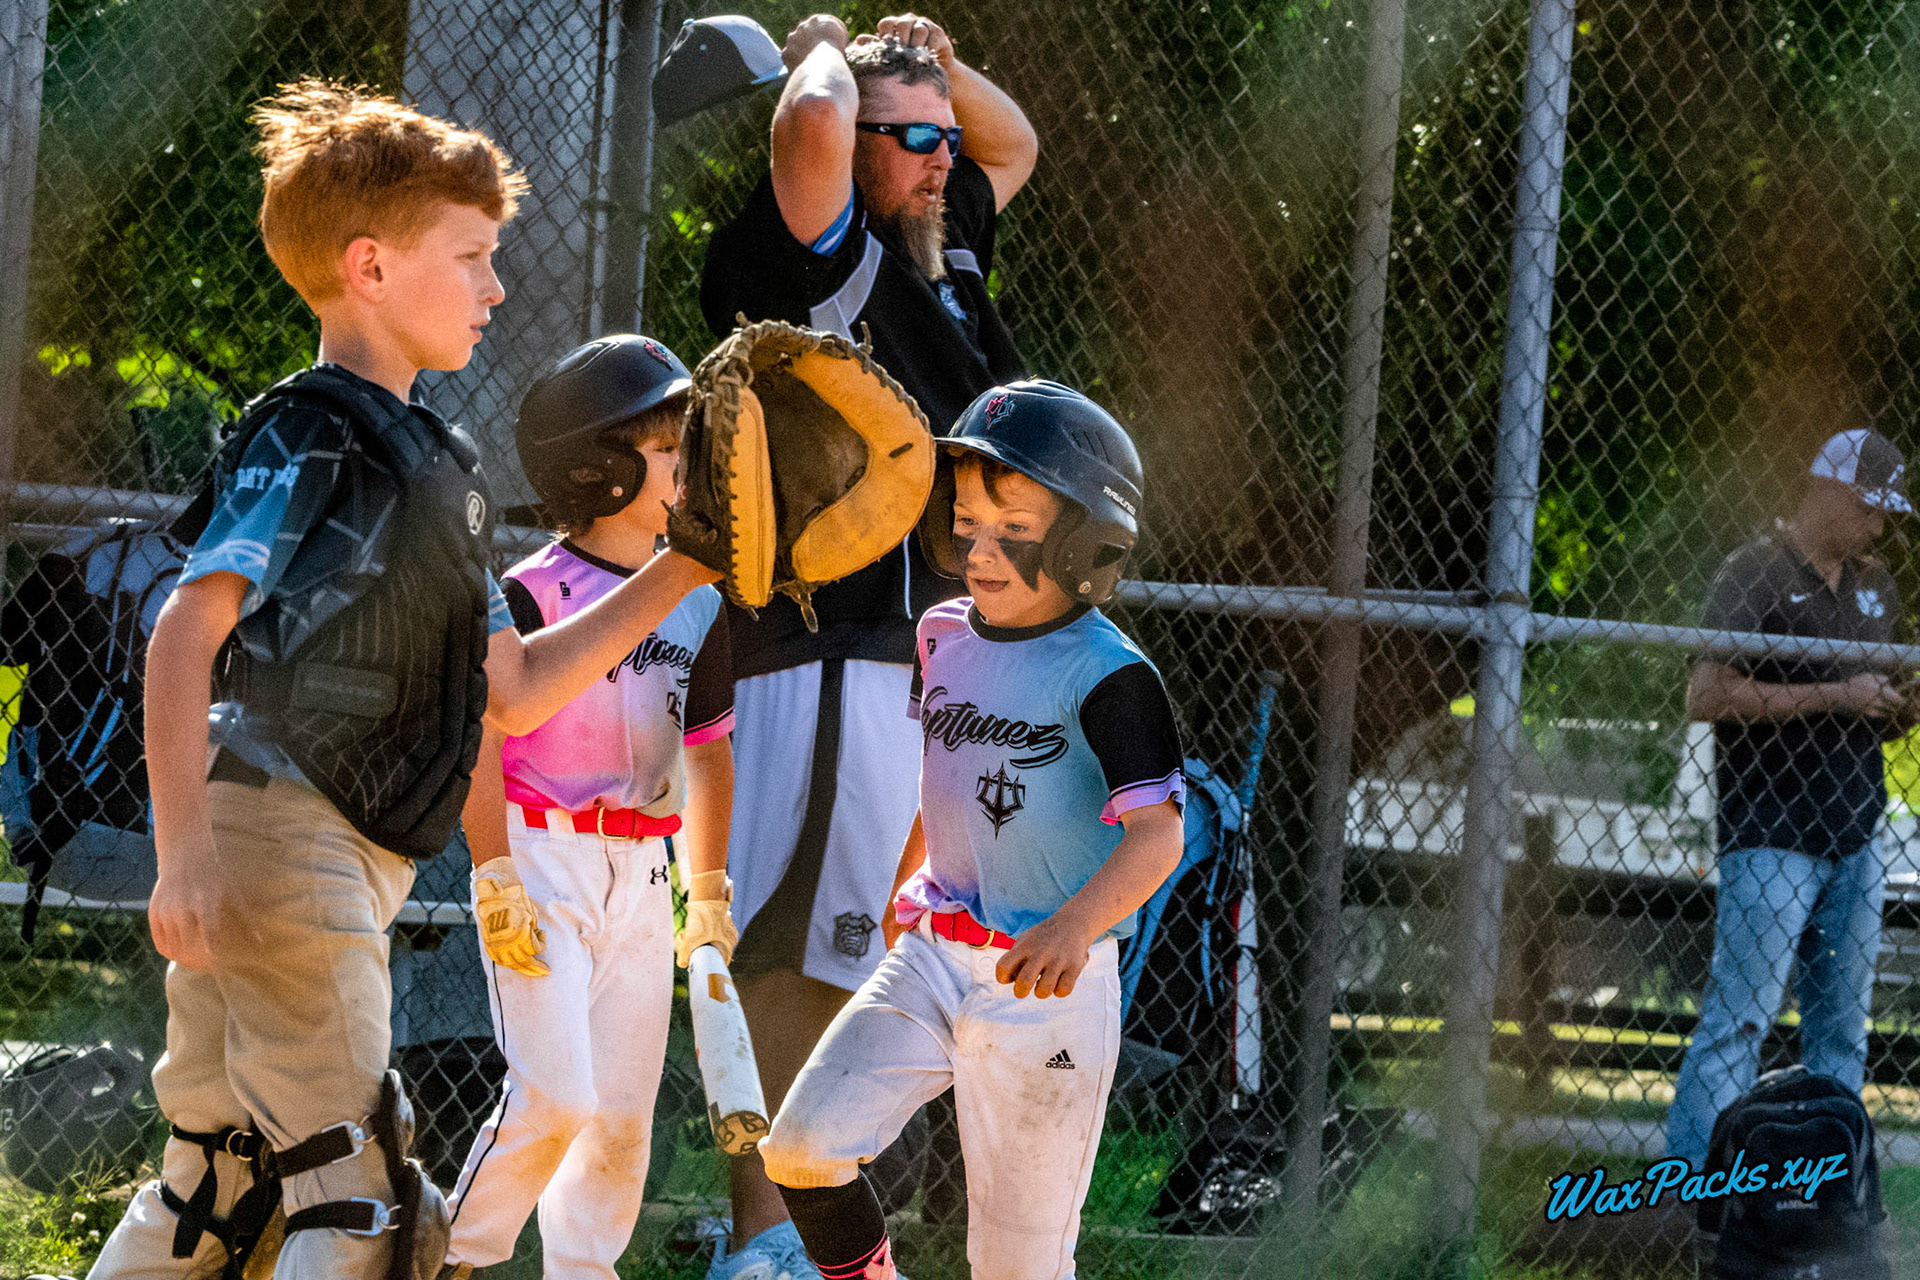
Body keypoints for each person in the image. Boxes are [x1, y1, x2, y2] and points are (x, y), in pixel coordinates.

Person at [92, 82, 722, 1278]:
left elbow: (516, 689)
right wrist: (183, 852)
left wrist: (687, 567)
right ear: (370, 267)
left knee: (219, 1181)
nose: (495, 287)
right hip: (286, 833)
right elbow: (186, 632)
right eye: (473, 257)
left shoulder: (435, 462)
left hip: (317, 845)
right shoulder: (314, 430)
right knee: (364, 1199)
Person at [698, 12, 1036, 1275]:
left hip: (926, 653)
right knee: (802, 949)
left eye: (942, 143)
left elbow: (1019, 140)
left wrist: (935, 73)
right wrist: (831, 47)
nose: (944, 159)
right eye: (915, 141)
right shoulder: (818, 253)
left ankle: (815, 1237)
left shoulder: (940, 245)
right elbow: (812, 124)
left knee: (879, 942)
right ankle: (764, 1238)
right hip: (830, 646)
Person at [757, 381, 1187, 1280]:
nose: (980, 552)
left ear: (1085, 541)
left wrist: (1071, 928)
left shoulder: (1113, 676)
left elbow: (1159, 837)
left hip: (1048, 989)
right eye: (966, 525)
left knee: (1017, 1267)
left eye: (1015, 530)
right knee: (801, 1147)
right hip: (931, 951)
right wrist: (903, 882)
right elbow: (943, 778)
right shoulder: (941, 633)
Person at [434, 334, 737, 1278]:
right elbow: (482, 735)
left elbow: (708, 750)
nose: (689, 465)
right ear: (597, 469)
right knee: (553, 1095)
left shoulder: (697, 601)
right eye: (664, 446)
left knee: (619, 1122)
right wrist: (492, 871)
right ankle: (449, 1255)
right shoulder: (530, 594)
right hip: (542, 856)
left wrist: (710, 896)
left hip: (645, 871)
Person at [1664, 428, 1912, 1173]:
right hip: (1771, 832)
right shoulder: (1754, 572)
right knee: (1739, 1022)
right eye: (1871, 508)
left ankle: (1826, 1195)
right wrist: (1836, 694)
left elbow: (1880, 714)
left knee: (1841, 1034)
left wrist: (1902, 707)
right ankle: (1693, 1194)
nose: (1880, 527)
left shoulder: (1878, 588)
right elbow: (1705, 694)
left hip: (1856, 834)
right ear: (1831, 492)